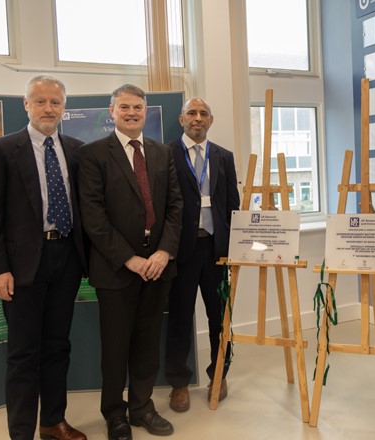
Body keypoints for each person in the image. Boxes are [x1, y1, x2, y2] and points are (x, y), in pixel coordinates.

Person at [0, 75, 87, 440]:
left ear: (64, 108)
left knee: (58, 347)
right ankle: (21, 433)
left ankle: (52, 422)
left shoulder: (75, 149)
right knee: (24, 355)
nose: (48, 109)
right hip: (23, 267)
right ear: (26, 104)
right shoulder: (1, 151)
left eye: (55, 102)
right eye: (40, 101)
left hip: (67, 258)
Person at [78, 84, 183, 440]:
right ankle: (114, 413)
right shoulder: (93, 155)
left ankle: (142, 407)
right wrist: (130, 259)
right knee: (115, 347)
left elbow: (174, 207)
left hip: (157, 268)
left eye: (138, 107)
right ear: (112, 111)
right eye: (124, 107)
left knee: (147, 343)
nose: (132, 112)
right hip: (116, 271)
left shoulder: (161, 152)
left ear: (146, 110)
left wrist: (164, 252)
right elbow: (93, 218)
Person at [164, 97, 240, 411]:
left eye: (203, 113)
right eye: (192, 113)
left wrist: (235, 248)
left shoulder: (224, 156)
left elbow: (232, 205)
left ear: (211, 119)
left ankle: (219, 373)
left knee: (220, 318)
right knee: (179, 318)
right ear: (182, 119)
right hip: (180, 250)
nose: (198, 118)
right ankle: (179, 383)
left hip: (215, 250)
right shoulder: (166, 154)